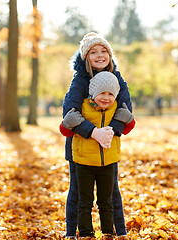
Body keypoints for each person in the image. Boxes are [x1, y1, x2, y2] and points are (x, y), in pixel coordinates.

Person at [61, 32, 135, 239]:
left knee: (111, 192)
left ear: (110, 55)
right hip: (81, 147)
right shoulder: (79, 82)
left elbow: (125, 109)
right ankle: (73, 232)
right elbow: (69, 113)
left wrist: (108, 133)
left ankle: (119, 231)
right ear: (85, 57)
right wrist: (93, 132)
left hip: (107, 148)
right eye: (94, 52)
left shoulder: (118, 79)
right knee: (78, 192)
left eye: (104, 51)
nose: (100, 55)